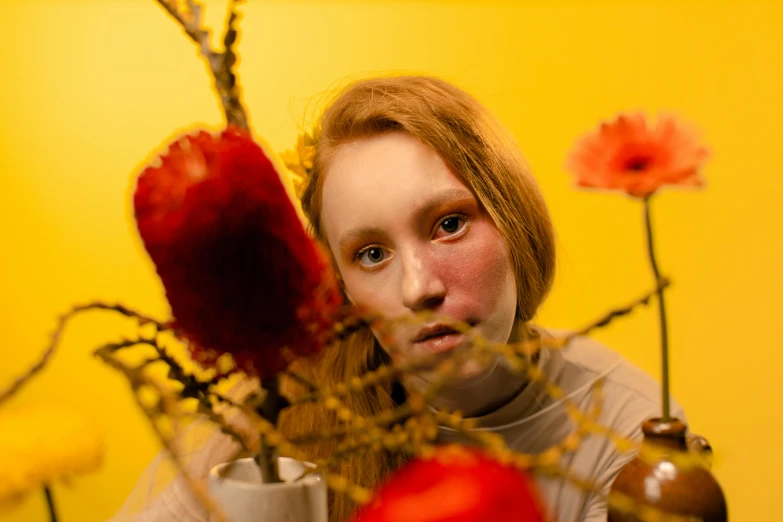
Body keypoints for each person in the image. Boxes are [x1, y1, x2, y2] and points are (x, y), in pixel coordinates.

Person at [111, 75, 685, 522]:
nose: (418, 288)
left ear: (515, 220)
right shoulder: (286, 405)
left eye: (450, 224)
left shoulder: (632, 433)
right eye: (370, 254)